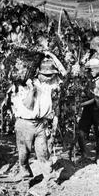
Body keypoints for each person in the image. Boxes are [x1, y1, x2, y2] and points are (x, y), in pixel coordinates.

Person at [8, 51, 66, 182]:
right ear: (38, 73)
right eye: (46, 75)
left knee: (43, 151)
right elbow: (28, 105)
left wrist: (51, 55)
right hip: (25, 124)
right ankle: (25, 173)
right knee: (24, 153)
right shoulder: (24, 84)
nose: (49, 77)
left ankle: (49, 176)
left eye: (51, 75)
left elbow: (65, 73)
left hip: (40, 123)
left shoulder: (50, 84)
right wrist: (32, 90)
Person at [78, 58, 99, 164]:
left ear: (98, 69)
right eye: (89, 70)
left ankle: (98, 157)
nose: (90, 71)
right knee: (81, 132)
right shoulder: (89, 80)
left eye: (92, 69)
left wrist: (80, 104)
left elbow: (95, 97)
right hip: (88, 108)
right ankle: (84, 155)